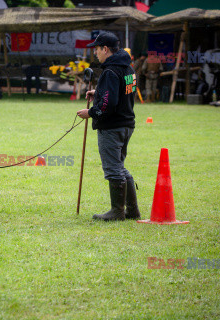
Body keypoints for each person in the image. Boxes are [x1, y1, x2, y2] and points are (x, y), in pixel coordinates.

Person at [76, 32, 140, 221]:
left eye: (96, 49)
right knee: (120, 166)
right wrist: (100, 92)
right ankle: (132, 210)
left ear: (105, 49)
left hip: (112, 126)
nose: (95, 53)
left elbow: (108, 104)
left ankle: (117, 211)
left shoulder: (110, 71)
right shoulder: (128, 68)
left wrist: (91, 113)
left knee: (113, 169)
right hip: (127, 124)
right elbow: (123, 94)